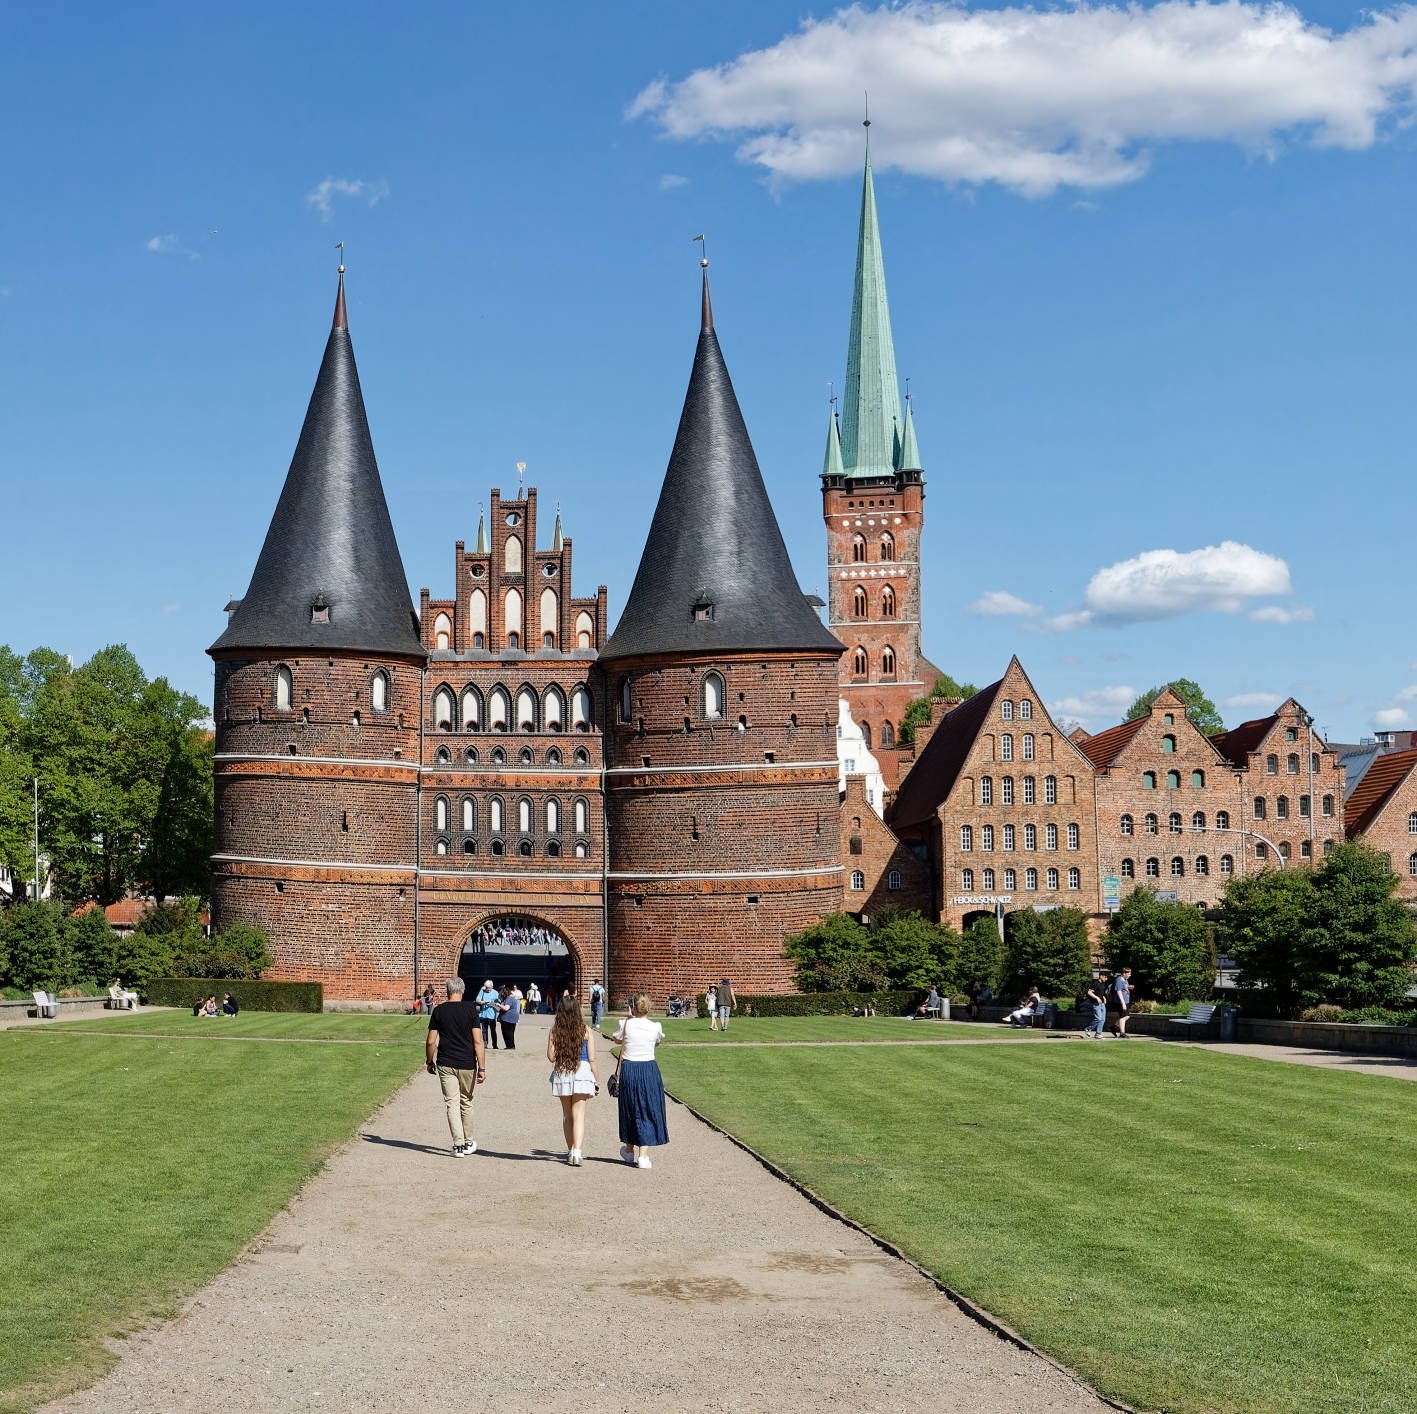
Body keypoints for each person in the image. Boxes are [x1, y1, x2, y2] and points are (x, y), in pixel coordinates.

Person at [426, 976, 486, 1156]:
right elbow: (478, 1041)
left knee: (451, 1103)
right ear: (463, 990)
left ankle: (458, 1144)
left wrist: (429, 1061)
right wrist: (482, 1067)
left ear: (447, 991)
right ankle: (468, 1142)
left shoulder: (439, 1011)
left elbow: (431, 1041)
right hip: (467, 1063)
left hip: (446, 1061)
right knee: (466, 1101)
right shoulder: (470, 1010)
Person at [611, 993, 668, 1169]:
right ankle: (642, 1155)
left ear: (633, 1008)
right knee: (647, 1108)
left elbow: (616, 1039)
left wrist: (629, 1019)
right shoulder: (655, 1026)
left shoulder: (625, 1024)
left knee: (630, 1108)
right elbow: (658, 1042)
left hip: (629, 1069)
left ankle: (629, 1150)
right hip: (648, 1069)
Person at [547, 993, 598, 1165]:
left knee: (567, 1116)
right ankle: (577, 1152)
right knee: (579, 1115)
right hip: (582, 1070)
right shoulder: (585, 1030)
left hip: (563, 1070)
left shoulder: (555, 1030)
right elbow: (592, 1058)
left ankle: (571, 1150)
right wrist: (596, 1078)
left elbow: (551, 1057)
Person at [475, 979, 500, 1050]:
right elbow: (477, 1000)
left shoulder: (495, 992)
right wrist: (483, 1002)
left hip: (492, 1015)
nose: (487, 990)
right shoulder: (482, 991)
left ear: (492, 986)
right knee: (484, 1030)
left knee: (493, 1030)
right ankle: (485, 1044)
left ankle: (494, 1044)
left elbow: (499, 1004)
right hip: (483, 1014)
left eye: (489, 988)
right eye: (486, 988)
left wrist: (493, 1004)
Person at [1082, 973, 1109, 1039]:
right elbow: (1089, 992)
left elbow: (1100, 993)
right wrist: (1096, 998)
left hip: (1102, 1003)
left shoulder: (1102, 984)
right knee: (1098, 1018)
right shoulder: (1095, 983)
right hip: (1095, 1004)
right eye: (1105, 977)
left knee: (1102, 1019)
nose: (1106, 979)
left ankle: (1098, 1034)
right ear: (1101, 976)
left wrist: (1104, 998)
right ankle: (1088, 1029)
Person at [1110, 966, 1133, 1037]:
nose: (1130, 975)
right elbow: (1119, 991)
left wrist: (1129, 987)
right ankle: (1122, 1033)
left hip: (1126, 1001)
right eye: (1129, 973)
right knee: (1123, 1016)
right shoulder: (1119, 980)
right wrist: (1122, 1003)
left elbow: (1124, 987)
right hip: (1121, 1002)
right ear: (1124, 973)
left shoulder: (1125, 980)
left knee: (1127, 1016)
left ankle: (1114, 1027)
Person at [498, 984, 521, 1051]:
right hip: (512, 1017)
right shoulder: (511, 998)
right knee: (510, 1032)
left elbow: (506, 1008)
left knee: (507, 1032)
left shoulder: (509, 999)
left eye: (502, 993)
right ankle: (510, 1046)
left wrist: (499, 1005)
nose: (501, 994)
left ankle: (510, 1046)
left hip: (508, 1018)